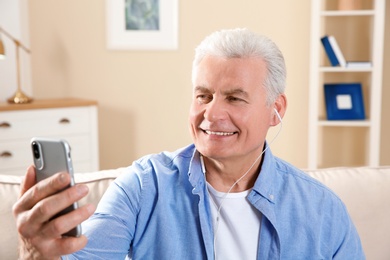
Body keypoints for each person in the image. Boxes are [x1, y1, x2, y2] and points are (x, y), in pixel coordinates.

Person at [13, 28, 364, 259]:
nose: (211, 114)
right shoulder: (144, 185)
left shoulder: (323, 212)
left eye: (234, 98)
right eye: (203, 95)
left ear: (275, 110)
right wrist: (36, 252)